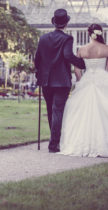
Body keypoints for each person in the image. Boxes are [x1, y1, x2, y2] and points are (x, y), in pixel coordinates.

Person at [34, 9, 86, 153]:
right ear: (66, 24)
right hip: (62, 81)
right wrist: (83, 64)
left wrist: (39, 73)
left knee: (51, 111)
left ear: (54, 23)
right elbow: (68, 55)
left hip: (46, 81)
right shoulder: (67, 39)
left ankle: (54, 142)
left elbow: (37, 59)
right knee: (58, 111)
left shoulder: (43, 38)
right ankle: (53, 144)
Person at [59, 23, 108, 157]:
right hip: (103, 78)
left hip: (86, 79)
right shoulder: (106, 48)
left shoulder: (82, 49)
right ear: (100, 33)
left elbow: (77, 69)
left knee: (82, 110)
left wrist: (81, 80)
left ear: (88, 34)